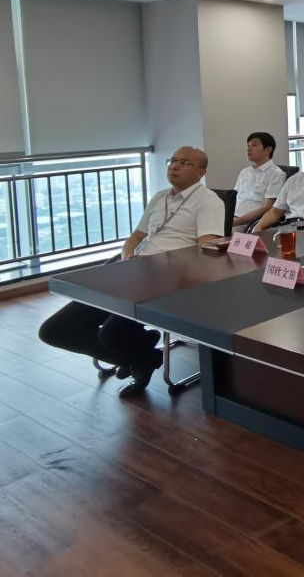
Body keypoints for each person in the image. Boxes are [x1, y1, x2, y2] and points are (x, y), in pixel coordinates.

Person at [38, 147, 225, 397]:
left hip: (167, 280)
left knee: (111, 334)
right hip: (132, 271)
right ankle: (141, 356)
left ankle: (136, 351)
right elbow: (136, 237)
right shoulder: (160, 197)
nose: (175, 165)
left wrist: (158, 264)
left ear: (201, 172)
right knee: (54, 331)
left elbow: (206, 250)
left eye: (185, 162)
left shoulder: (208, 201)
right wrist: (127, 256)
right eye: (173, 160)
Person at [232, 132, 287, 230]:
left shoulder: (277, 174)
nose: (249, 149)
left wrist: (238, 221)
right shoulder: (244, 172)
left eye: (254, 145)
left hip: (249, 223)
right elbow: (234, 199)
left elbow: (268, 207)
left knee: (219, 235)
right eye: (248, 145)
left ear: (268, 150)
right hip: (232, 218)